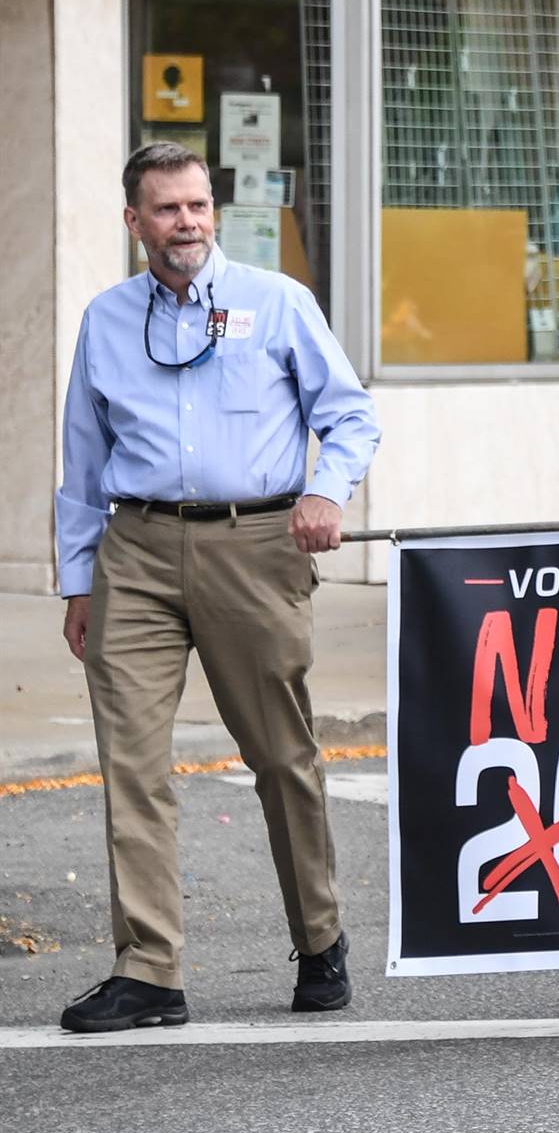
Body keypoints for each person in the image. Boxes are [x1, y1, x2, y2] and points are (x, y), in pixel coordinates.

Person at [54, 142, 380, 1033]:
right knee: (132, 763)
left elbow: (349, 414)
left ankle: (320, 940)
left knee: (281, 755)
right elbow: (83, 460)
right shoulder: (107, 319)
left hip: (255, 544)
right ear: (135, 223)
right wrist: (78, 578)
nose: (187, 223)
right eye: (166, 209)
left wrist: (324, 490)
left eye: (197, 206)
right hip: (137, 549)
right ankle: (150, 970)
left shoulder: (277, 302)